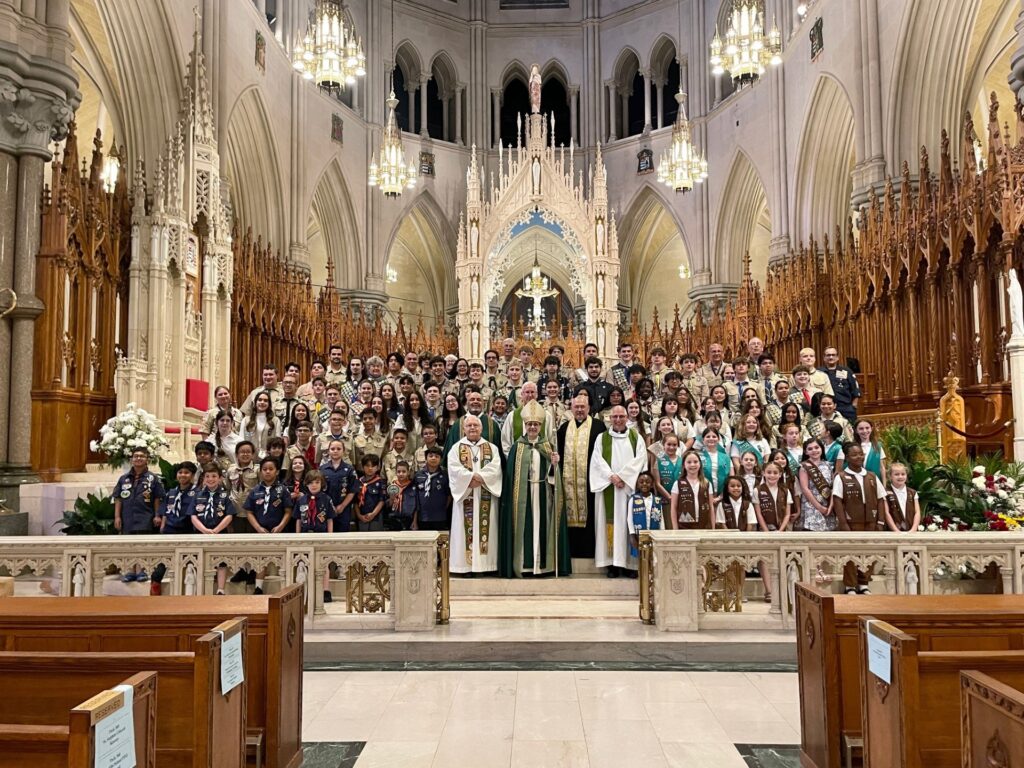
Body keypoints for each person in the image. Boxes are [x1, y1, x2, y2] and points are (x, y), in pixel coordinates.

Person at [499, 400, 568, 578]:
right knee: (524, 526)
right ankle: (524, 565)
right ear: (525, 425)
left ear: (540, 426)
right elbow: (511, 476)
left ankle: (542, 566)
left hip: (543, 493)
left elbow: (553, 477)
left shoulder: (547, 447)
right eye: (529, 424)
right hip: (521, 495)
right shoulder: (517, 447)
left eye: (535, 424)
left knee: (542, 526)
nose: (532, 427)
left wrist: (554, 464)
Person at [590, 405, 647, 577]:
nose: (618, 420)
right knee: (609, 525)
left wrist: (623, 477)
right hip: (608, 487)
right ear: (609, 418)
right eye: (614, 417)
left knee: (628, 525)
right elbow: (597, 460)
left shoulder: (636, 437)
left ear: (627, 418)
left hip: (628, 489)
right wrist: (612, 477)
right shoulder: (602, 438)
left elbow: (641, 459)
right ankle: (612, 565)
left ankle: (630, 565)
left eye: (621, 416)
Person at [448, 415, 503, 575]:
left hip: (485, 495)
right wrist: (471, 478)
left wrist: (478, 478)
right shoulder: (456, 448)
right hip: (466, 495)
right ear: (464, 429)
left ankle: (485, 566)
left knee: (487, 529)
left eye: (475, 425)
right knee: (463, 531)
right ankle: (464, 567)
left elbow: (495, 468)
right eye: (469, 425)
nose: (472, 428)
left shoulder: (491, 448)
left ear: (481, 428)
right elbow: (453, 469)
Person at [556, 393, 607, 560]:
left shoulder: (599, 427)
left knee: (592, 516)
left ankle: (591, 552)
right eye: (576, 407)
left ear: (589, 408)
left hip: (590, 484)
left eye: (582, 407)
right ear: (571, 408)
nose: (579, 410)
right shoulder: (563, 429)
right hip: (567, 483)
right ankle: (570, 552)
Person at [832, 443, 887, 594]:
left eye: (861, 454)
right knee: (850, 554)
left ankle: (864, 583)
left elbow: (881, 499)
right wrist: (843, 523)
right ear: (847, 458)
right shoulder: (841, 477)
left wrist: (880, 521)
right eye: (855, 455)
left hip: (870, 521)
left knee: (868, 553)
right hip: (851, 522)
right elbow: (837, 500)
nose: (859, 457)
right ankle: (850, 585)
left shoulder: (871, 476)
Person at [240, 458, 293, 594]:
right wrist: (257, 527)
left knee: (283, 560)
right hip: (260, 531)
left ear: (277, 472)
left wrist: (281, 526)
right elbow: (249, 511)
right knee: (260, 558)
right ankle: (258, 587)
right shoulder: (255, 490)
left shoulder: (283, 490)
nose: (267, 472)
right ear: (261, 472)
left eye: (271, 469)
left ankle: (286, 587)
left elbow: (288, 511)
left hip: (279, 531)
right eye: (265, 469)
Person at [112, 446, 165, 578]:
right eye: (136, 456)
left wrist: (157, 515)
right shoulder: (123, 479)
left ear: (147, 459)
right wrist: (117, 517)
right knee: (128, 544)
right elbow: (118, 498)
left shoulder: (153, 478)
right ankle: (130, 570)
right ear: (131, 459)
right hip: (127, 517)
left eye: (142, 456)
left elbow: (157, 499)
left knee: (142, 544)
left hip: (145, 517)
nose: (138, 458)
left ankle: (141, 570)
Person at [191, 463, 236, 594]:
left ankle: (220, 589)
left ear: (220, 478)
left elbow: (229, 515)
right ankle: (201, 590)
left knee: (221, 560)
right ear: (203, 479)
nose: (211, 479)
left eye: (214, 476)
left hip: (219, 533)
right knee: (201, 561)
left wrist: (216, 530)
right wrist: (204, 530)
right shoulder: (198, 495)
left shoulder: (224, 496)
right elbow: (193, 515)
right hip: (201, 533)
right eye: (208, 476)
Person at [295, 469, 335, 603]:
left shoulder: (327, 499)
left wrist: (330, 536)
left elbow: (329, 519)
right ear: (306, 484)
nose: (314, 485)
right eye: (311, 482)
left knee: (324, 564)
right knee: (302, 563)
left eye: (317, 482)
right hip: (305, 534)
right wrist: (297, 536)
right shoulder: (301, 500)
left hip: (321, 534)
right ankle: (302, 589)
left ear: (321, 484)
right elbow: (298, 519)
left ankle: (326, 590)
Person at [755, 461, 793, 604]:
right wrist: (766, 531)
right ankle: (769, 590)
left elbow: (788, 514)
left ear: (781, 474)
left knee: (782, 559)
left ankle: (781, 590)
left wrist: (780, 530)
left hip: (781, 530)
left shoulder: (785, 491)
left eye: (775, 473)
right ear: (764, 473)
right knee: (765, 560)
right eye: (769, 472)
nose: (772, 475)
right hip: (764, 531)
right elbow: (758, 513)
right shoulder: (757, 490)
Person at [671, 449, 720, 529]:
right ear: (684, 465)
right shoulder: (678, 484)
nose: (692, 465)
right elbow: (673, 507)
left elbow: (711, 507)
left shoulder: (707, 483)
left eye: (695, 462)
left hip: (704, 525)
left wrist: (713, 528)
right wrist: (675, 529)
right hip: (684, 526)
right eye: (689, 462)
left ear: (700, 464)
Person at [320, 439, 357, 533]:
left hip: (343, 509)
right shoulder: (322, 469)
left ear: (343, 451)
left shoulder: (349, 469)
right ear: (328, 451)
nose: (335, 451)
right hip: (325, 508)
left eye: (338, 449)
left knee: (342, 535)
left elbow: (352, 490)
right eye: (332, 449)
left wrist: (342, 506)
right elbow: (319, 490)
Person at [799, 438, 835, 532]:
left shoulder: (828, 465)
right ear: (805, 452)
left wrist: (831, 506)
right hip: (811, 505)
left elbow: (833, 487)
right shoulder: (804, 467)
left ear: (821, 449)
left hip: (827, 504)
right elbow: (805, 489)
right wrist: (819, 507)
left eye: (816, 447)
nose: (814, 450)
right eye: (810, 449)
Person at [412, 446, 451, 531]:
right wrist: (414, 520)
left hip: (440, 517)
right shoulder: (418, 475)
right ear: (426, 458)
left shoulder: (445, 475)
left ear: (440, 460)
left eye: (437, 456)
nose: (433, 458)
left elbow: (449, 496)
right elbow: (415, 498)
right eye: (430, 456)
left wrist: (442, 509)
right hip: (422, 517)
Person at [627, 471, 662, 559]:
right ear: (637, 484)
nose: (644, 484)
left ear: (652, 484)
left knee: (654, 557)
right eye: (641, 482)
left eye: (647, 482)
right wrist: (632, 535)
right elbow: (629, 518)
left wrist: (662, 533)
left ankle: (652, 573)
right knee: (641, 558)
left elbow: (661, 519)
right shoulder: (633, 499)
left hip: (654, 535)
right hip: (639, 535)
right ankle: (641, 573)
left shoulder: (657, 500)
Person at [226, 441, 259, 530]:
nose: (245, 454)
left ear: (253, 454)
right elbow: (228, 489)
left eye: (248, 452)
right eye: (242, 452)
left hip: (252, 511)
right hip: (235, 511)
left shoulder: (257, 470)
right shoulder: (231, 470)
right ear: (237, 454)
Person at [821, 347, 860, 421]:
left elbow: (855, 389)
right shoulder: (819, 372)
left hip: (846, 408)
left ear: (837, 357)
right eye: (828, 355)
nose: (831, 357)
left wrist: (853, 406)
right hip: (826, 409)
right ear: (824, 358)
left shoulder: (846, 371)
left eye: (833, 355)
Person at [240, 391, 281, 457]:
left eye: (265, 401)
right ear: (255, 402)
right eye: (260, 400)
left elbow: (278, 442)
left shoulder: (275, 421)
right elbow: (241, 440)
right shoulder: (246, 420)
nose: (262, 402)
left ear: (269, 404)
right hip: (249, 457)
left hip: (268, 459)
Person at [883, 462, 920, 533]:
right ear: (890, 476)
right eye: (896, 474)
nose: (900, 477)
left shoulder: (913, 493)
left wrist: (914, 529)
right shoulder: (885, 493)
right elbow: (886, 513)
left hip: (911, 531)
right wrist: (896, 531)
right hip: (893, 532)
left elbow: (917, 512)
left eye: (903, 474)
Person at [354, 454, 386, 532]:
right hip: (361, 517)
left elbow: (382, 501)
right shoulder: (358, 482)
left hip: (376, 517)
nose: (370, 468)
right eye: (367, 465)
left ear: (378, 467)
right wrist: (359, 515)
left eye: (373, 466)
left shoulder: (380, 482)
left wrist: (373, 514)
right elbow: (355, 502)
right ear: (362, 467)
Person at [386, 460, 417, 531]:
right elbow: (388, 506)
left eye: (404, 471)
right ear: (395, 473)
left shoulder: (413, 486)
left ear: (408, 472)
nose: (401, 474)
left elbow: (416, 507)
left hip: (409, 519)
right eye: (399, 472)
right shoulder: (392, 486)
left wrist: (415, 521)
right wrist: (391, 499)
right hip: (394, 519)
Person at [854, 419, 887, 483]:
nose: (865, 431)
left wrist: (884, 485)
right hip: (858, 481)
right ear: (856, 431)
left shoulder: (878, 446)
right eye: (861, 429)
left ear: (871, 429)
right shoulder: (853, 447)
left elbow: (882, 467)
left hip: (875, 481)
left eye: (867, 428)